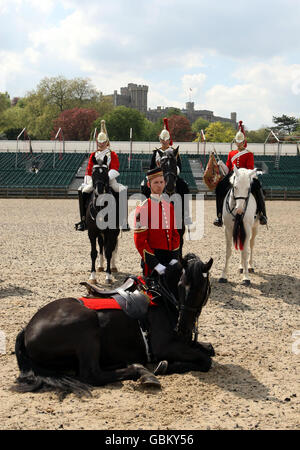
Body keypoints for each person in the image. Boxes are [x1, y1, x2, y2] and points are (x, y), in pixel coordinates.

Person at [213, 120, 268, 227]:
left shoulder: (249, 154)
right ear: (235, 142)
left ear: (244, 142)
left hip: (245, 175)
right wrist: (221, 164)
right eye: (237, 142)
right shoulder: (231, 153)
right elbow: (228, 169)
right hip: (232, 175)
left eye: (241, 142)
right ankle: (219, 216)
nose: (239, 144)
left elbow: (250, 168)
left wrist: (244, 174)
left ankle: (262, 214)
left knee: (258, 187)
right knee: (219, 187)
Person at [75, 120, 127, 231]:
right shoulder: (93, 155)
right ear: (97, 142)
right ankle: (83, 220)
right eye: (99, 142)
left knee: (122, 190)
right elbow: (89, 169)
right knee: (83, 191)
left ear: (107, 142)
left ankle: (122, 220)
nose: (101, 144)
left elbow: (115, 167)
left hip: (109, 178)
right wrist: (89, 180)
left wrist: (106, 177)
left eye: (103, 142)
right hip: (95, 179)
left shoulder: (112, 154)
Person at [142, 117, 192, 225]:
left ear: (169, 140)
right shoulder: (156, 152)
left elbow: (179, 166)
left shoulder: (174, 151)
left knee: (184, 186)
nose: (164, 142)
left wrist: (173, 171)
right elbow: (151, 166)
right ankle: (145, 212)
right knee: (144, 186)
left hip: (171, 175)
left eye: (166, 140)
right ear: (160, 140)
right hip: (157, 178)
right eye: (162, 140)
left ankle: (186, 214)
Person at [134, 167, 180, 277]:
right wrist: (155, 264)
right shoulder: (143, 208)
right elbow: (140, 241)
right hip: (153, 261)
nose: (159, 185)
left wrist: (174, 258)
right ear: (149, 185)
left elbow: (175, 234)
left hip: (170, 259)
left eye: (161, 182)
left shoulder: (169, 206)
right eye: (155, 183)